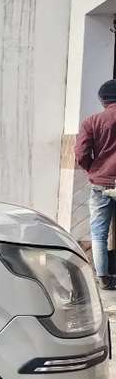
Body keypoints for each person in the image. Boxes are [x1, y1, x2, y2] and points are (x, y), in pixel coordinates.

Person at [75, 79, 116, 290]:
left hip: (101, 184)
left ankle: (103, 278)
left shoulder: (92, 121)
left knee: (99, 234)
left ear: (102, 100)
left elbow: (81, 153)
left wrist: (93, 169)